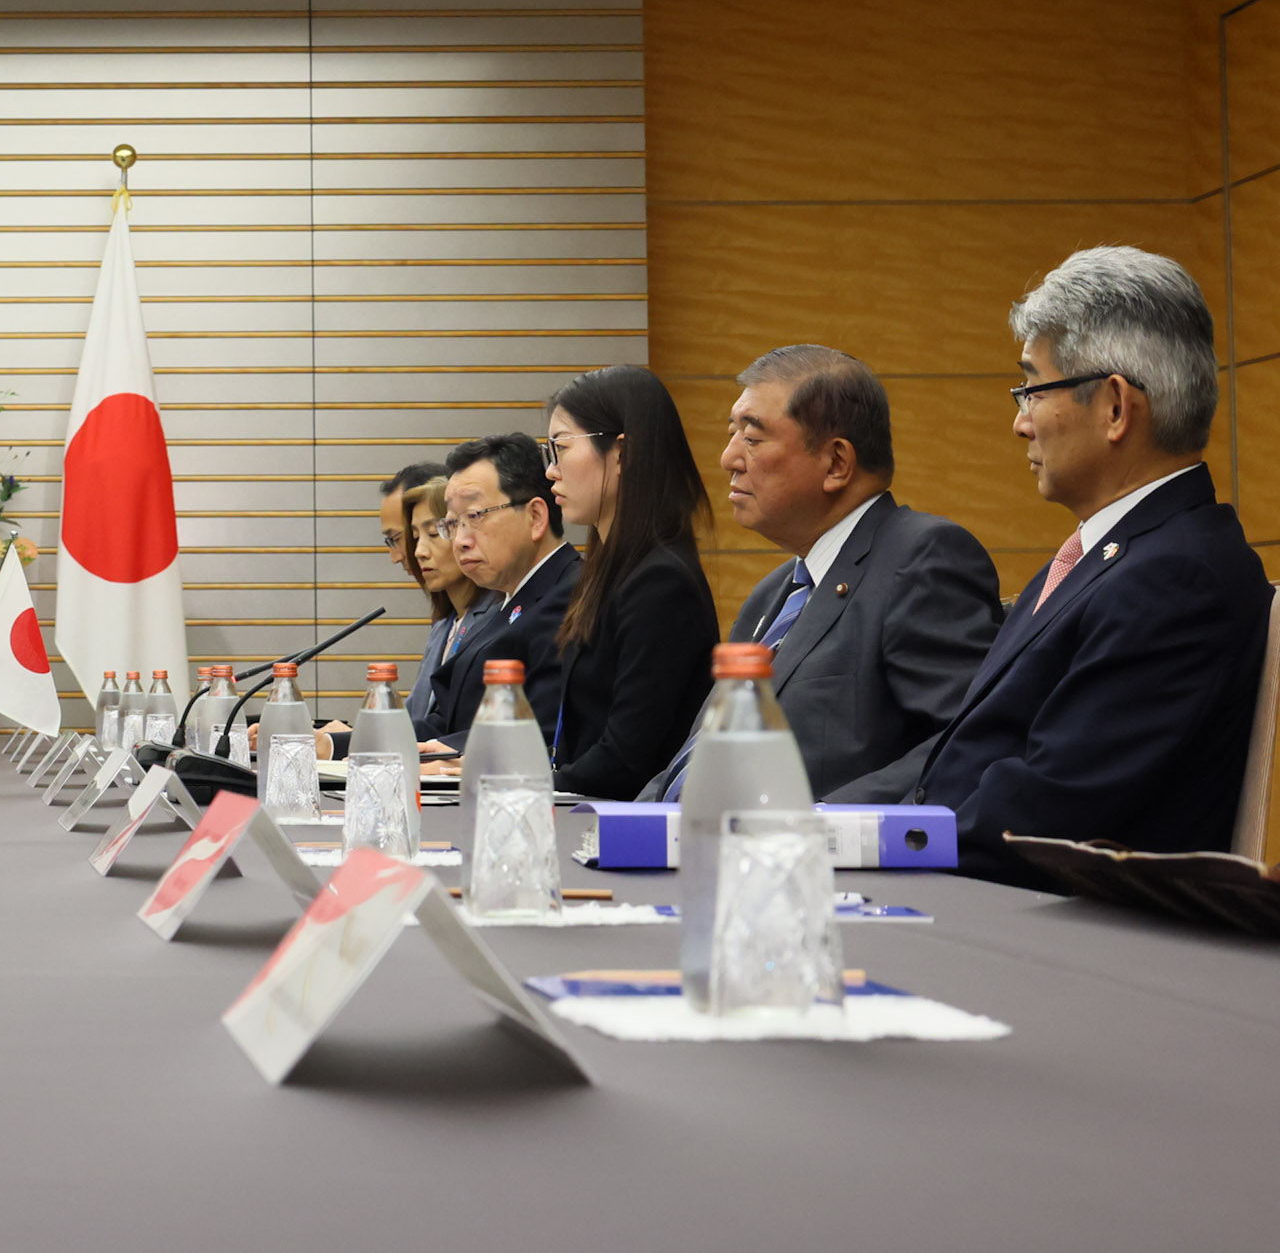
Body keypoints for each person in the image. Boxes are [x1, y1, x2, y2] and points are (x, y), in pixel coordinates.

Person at [840, 248, 1272, 887]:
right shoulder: (1113, 554)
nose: (1019, 423)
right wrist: (830, 826)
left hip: (1049, 936)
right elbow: (969, 750)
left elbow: (1043, 811)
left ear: (1116, 408)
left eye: (1031, 389)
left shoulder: (1179, 579)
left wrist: (849, 846)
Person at [644, 345, 1002, 800]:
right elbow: (698, 757)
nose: (728, 458)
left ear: (836, 463)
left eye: (752, 439)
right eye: (732, 435)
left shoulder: (923, 558)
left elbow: (967, 743)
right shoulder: (772, 594)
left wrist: (815, 829)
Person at [539, 365, 719, 799]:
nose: (551, 471)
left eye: (560, 449)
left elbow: (625, 758)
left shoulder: (660, 583)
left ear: (622, 453)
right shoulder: (610, 571)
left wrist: (524, 789)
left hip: (636, 834)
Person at [414, 432, 580, 753]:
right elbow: (444, 723)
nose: (460, 540)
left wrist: (450, 752)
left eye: (474, 517)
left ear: (535, 516)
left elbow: (544, 735)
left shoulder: (572, 596)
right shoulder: (506, 601)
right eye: (453, 523)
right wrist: (340, 743)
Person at [386, 464, 496, 729]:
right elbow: (414, 720)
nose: (419, 551)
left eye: (434, 534)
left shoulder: (496, 620)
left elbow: (448, 728)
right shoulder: (443, 628)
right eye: (415, 537)